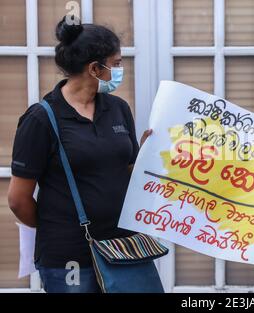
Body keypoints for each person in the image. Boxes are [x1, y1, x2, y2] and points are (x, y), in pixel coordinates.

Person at [7, 16, 156, 293]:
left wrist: (151, 156)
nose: (121, 70)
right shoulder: (41, 119)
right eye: (117, 63)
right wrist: (59, 228)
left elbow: (126, 170)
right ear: (95, 69)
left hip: (124, 246)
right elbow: (18, 200)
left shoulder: (118, 109)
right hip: (69, 258)